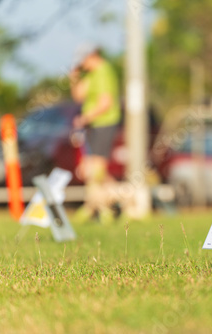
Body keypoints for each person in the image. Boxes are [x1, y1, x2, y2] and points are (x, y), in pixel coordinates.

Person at [69, 45, 121, 224]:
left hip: (105, 123)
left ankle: (99, 208)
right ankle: (113, 204)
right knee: (92, 170)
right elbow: (79, 96)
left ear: (91, 56)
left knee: (96, 170)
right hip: (93, 125)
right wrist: (74, 79)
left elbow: (105, 103)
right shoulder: (91, 74)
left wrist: (84, 118)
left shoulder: (104, 72)